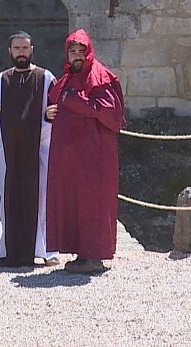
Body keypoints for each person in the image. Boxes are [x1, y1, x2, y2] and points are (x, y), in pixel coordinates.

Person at [45, 29, 125, 274]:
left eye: (81, 51)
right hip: (71, 159)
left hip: (94, 157)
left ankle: (94, 256)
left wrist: (73, 101)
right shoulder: (68, 78)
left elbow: (111, 116)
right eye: (73, 51)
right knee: (76, 203)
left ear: (89, 51)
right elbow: (57, 103)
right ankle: (82, 253)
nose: (77, 56)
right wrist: (50, 114)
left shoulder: (100, 77)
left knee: (94, 204)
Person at [0, 31, 59, 267]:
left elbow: (55, 110)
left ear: (32, 50)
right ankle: (9, 250)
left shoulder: (46, 78)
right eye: (16, 48)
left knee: (40, 198)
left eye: (25, 48)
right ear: (10, 51)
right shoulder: (0, 81)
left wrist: (41, 129)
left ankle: (45, 250)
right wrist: (10, 134)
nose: (21, 52)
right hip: (7, 151)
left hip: (40, 150)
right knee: (8, 198)